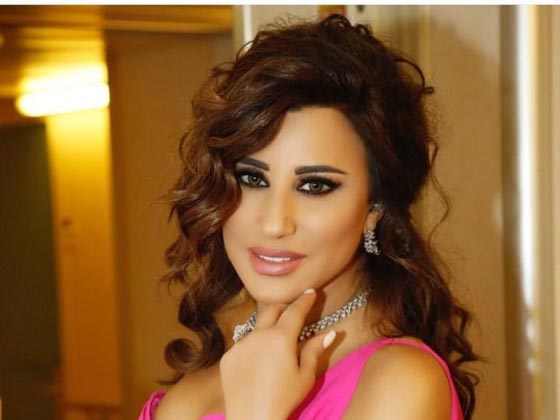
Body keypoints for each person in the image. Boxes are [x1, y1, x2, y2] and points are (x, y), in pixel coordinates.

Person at [140, 13, 479, 420]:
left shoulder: (401, 382)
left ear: (375, 208)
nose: (274, 223)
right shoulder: (208, 376)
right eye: (252, 178)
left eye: (315, 186)